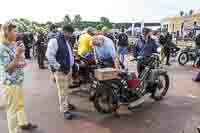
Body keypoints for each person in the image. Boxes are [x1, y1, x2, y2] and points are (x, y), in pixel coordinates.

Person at [0, 21, 37, 133]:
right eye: (15, 31)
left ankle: (23, 123)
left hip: (17, 81)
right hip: (10, 83)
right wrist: (18, 55)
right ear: (7, 32)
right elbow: (8, 68)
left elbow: (20, 63)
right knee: (12, 111)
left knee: (20, 105)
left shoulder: (12, 44)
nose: (17, 33)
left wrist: (21, 53)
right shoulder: (2, 48)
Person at [46, 24, 77, 120]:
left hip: (67, 69)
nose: (71, 35)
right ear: (65, 32)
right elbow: (49, 56)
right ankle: (64, 110)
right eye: (70, 33)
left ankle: (66, 104)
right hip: (61, 70)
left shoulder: (65, 40)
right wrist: (58, 67)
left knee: (66, 89)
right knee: (62, 91)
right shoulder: (55, 40)